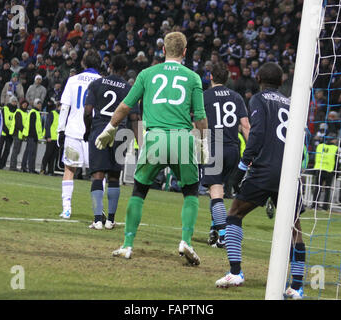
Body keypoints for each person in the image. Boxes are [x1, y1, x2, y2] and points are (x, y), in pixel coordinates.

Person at [95, 32, 209, 265]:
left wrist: (110, 127)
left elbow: (126, 106)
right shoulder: (193, 77)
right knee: (190, 192)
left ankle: (127, 245)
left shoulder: (147, 74)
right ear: (185, 52)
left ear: (163, 51)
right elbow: (199, 116)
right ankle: (186, 240)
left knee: (139, 191)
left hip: (154, 138)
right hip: (182, 138)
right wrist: (204, 142)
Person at [214, 62, 306, 300]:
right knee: (294, 227)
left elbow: (256, 134)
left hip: (265, 168)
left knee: (234, 214)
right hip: (290, 171)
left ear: (257, 78)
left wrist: (242, 167)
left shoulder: (258, 99)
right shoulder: (292, 103)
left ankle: (235, 273)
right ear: (282, 79)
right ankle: (296, 287)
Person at [201, 61, 250, 248]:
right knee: (218, 189)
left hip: (215, 145)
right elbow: (245, 126)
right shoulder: (237, 97)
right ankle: (215, 230)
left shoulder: (205, 96)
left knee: (215, 192)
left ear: (211, 77)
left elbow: (198, 122)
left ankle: (223, 235)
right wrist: (252, 152)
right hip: (233, 148)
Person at [84, 54, 135, 230]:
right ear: (124, 70)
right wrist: (139, 142)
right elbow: (135, 117)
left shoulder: (96, 84)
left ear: (110, 66)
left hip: (99, 130)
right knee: (114, 176)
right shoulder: (129, 89)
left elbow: (88, 111)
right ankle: (110, 220)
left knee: (97, 174)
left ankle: (98, 219)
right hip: (121, 133)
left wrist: (88, 130)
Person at [57, 49, 102, 219]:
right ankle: (98, 211)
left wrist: (60, 130)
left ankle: (66, 208)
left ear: (83, 63)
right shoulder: (101, 81)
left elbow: (65, 107)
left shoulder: (73, 80)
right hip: (94, 133)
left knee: (69, 169)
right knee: (98, 172)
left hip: (73, 131)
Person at [311, 137, 339, 211]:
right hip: (329, 170)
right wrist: (336, 172)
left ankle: (314, 205)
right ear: (333, 140)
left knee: (317, 188)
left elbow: (315, 157)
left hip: (319, 169)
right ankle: (325, 207)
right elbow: (337, 161)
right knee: (327, 189)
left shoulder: (320, 146)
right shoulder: (335, 148)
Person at [0, 95, 18, 169]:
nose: (14, 103)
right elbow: (2, 120)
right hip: (3, 132)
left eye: (15, 102)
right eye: (13, 101)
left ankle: (2, 164)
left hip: (11, 133)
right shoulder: (5, 109)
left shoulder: (17, 111)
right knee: (0, 148)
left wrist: (11, 131)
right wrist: (6, 130)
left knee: (7, 150)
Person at [21, 98, 44, 173]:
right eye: (38, 104)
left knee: (28, 152)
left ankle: (25, 167)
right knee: (31, 153)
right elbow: (32, 126)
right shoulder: (34, 112)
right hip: (32, 136)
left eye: (40, 104)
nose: (40, 105)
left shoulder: (35, 112)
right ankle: (30, 169)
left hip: (32, 135)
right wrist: (35, 136)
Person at [40, 102, 60, 175]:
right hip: (51, 138)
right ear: (58, 106)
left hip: (57, 139)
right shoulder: (52, 113)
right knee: (48, 154)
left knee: (54, 156)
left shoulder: (62, 115)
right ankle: (43, 169)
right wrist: (48, 136)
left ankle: (50, 171)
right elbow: (47, 125)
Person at [9, 100, 29, 171]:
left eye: (26, 104)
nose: (25, 105)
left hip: (20, 134)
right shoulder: (18, 112)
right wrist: (24, 132)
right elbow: (19, 124)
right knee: (16, 150)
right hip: (17, 133)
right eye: (23, 104)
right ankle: (12, 166)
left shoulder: (25, 113)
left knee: (17, 150)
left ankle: (13, 165)